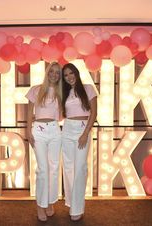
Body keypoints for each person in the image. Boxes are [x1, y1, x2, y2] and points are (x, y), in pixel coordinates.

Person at [25, 62, 62, 222]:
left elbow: (62, 115)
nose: (54, 74)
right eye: (52, 71)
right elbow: (29, 112)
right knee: (42, 169)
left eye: (57, 73)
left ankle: (49, 202)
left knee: (53, 168)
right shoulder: (36, 89)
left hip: (55, 130)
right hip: (38, 130)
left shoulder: (61, 91)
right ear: (47, 72)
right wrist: (28, 130)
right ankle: (40, 205)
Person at [61, 63, 97, 221]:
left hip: (83, 129)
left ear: (76, 73)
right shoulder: (65, 93)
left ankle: (77, 208)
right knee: (68, 168)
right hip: (67, 129)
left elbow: (93, 113)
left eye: (71, 73)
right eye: (66, 75)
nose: (69, 77)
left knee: (80, 168)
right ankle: (71, 202)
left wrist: (85, 133)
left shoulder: (88, 88)